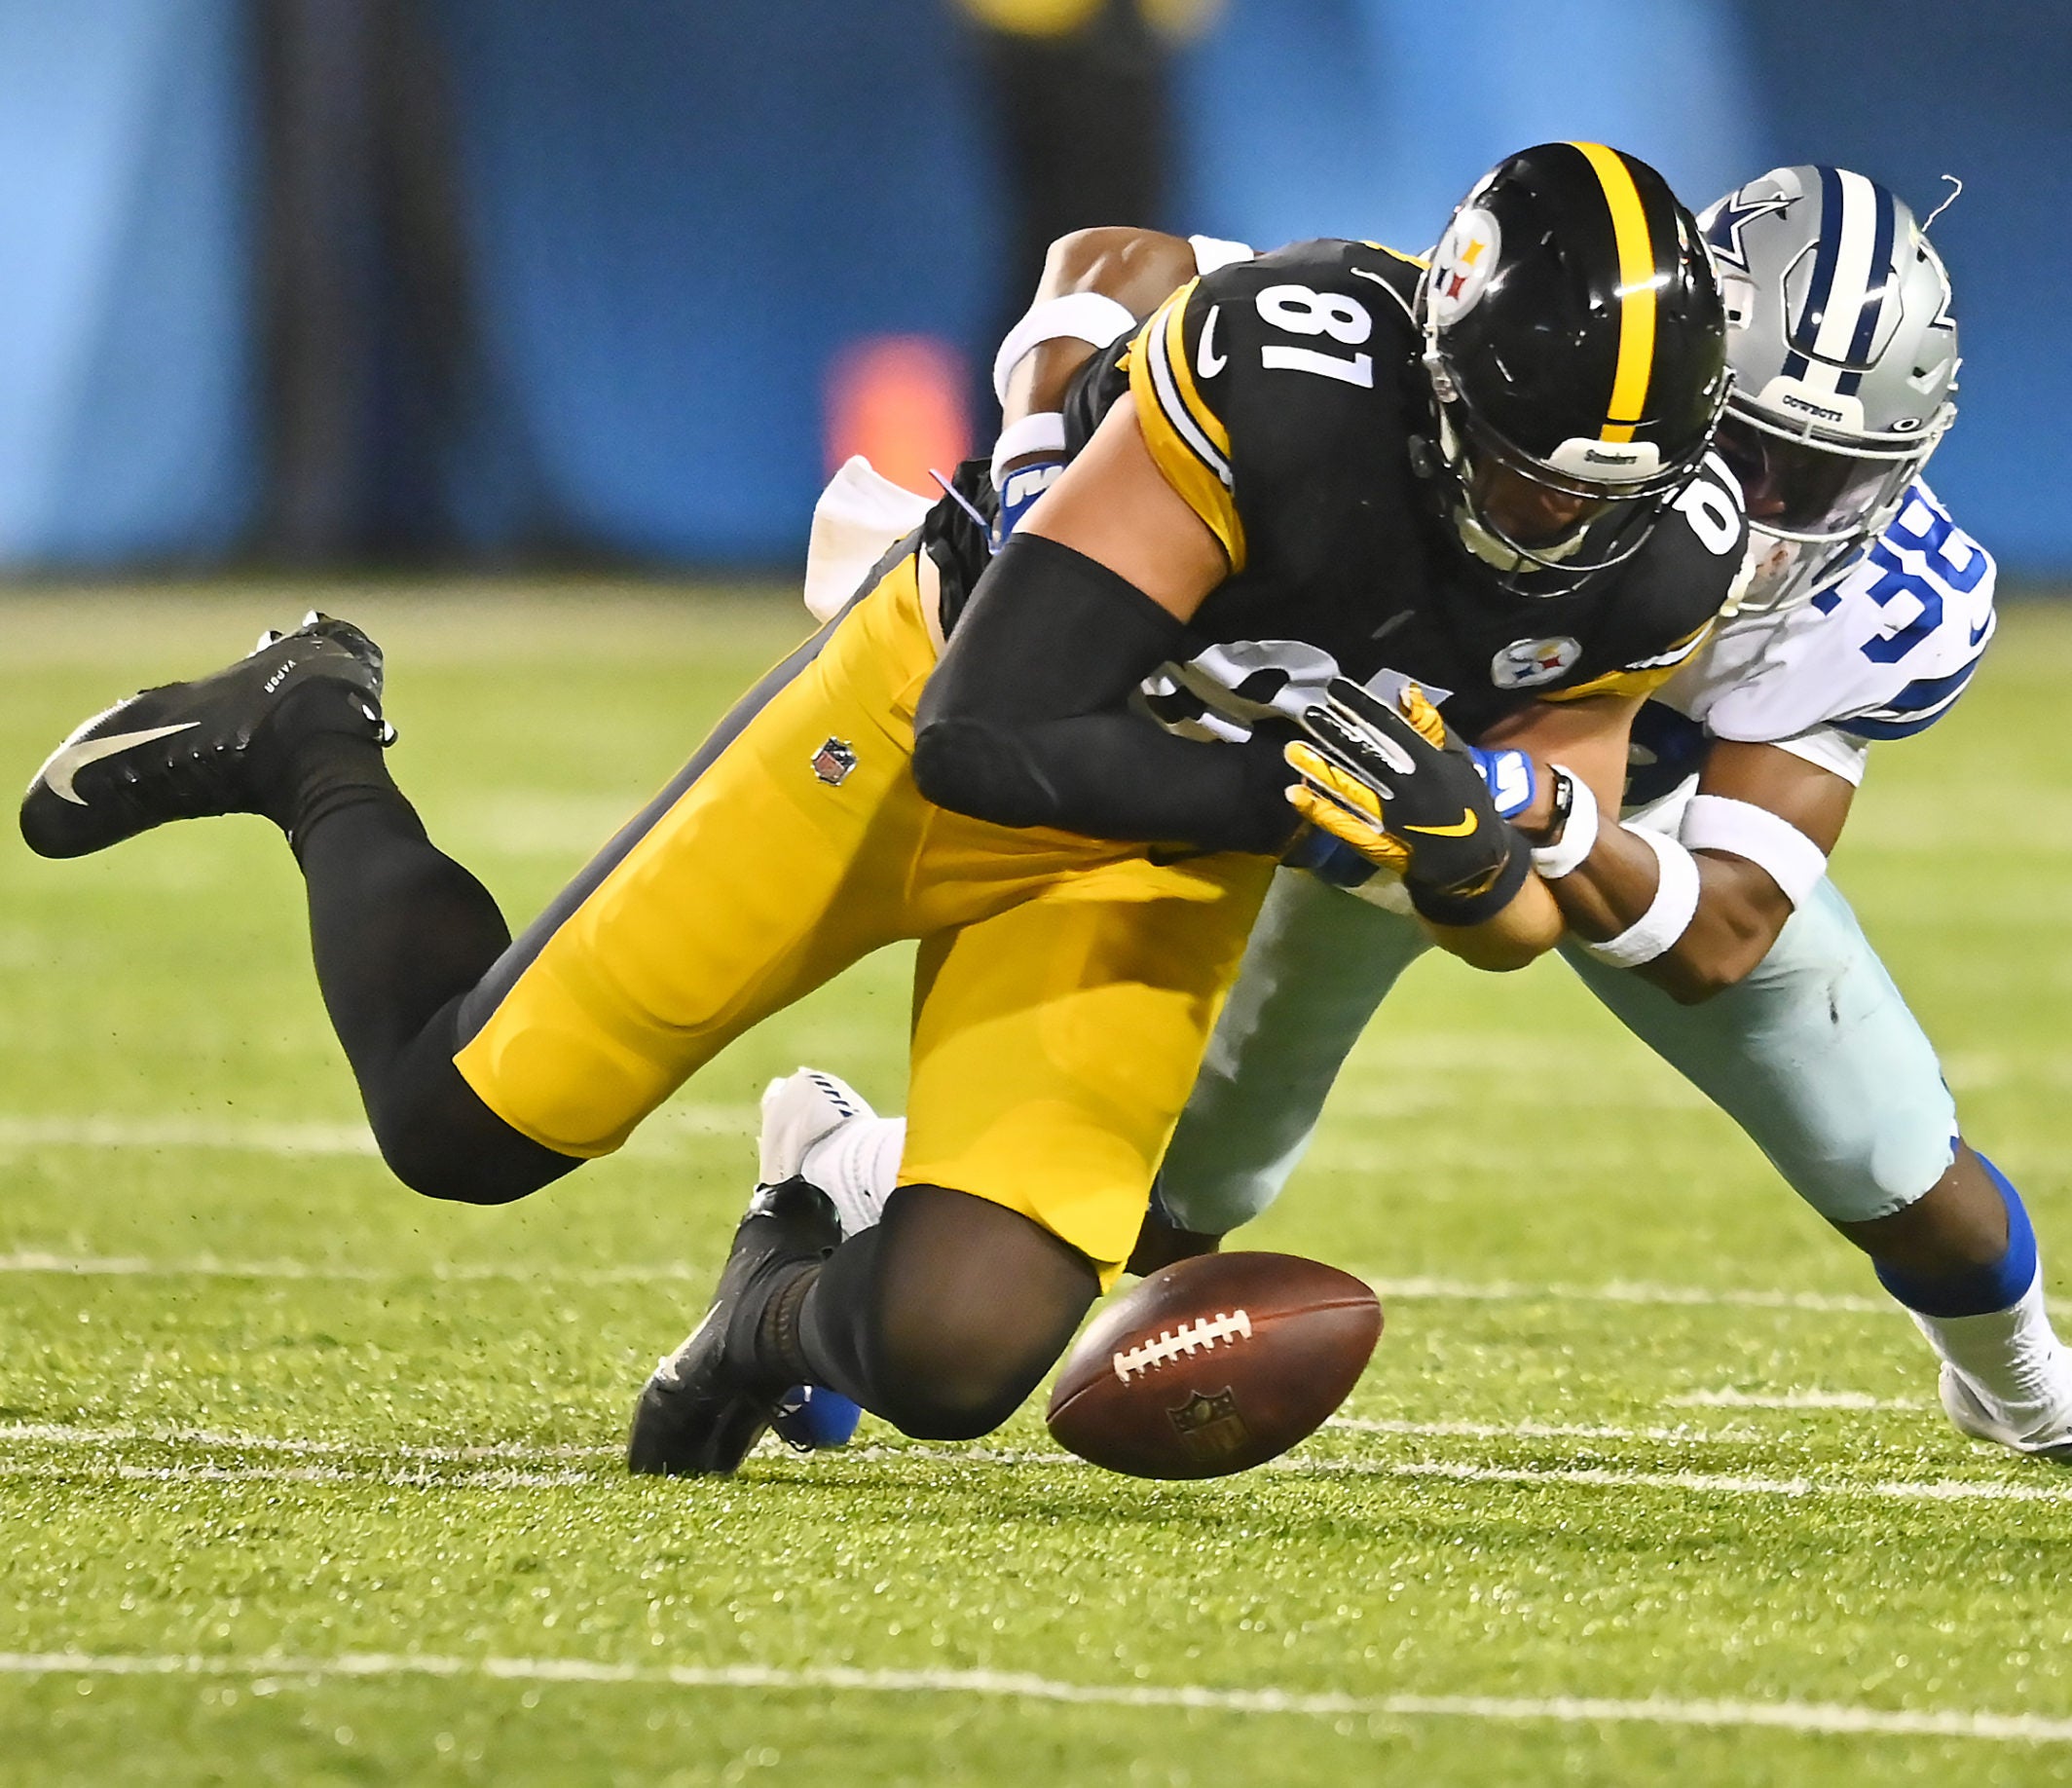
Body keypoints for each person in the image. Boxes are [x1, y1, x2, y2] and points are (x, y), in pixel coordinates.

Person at [19, 142, 1752, 1476]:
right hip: (926, 718)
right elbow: (989, 739)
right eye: (1528, 466)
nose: (1559, 523)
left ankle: (767, 1305)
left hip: (1156, 856)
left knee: (955, 1356)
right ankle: (311, 734)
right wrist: (1291, 797)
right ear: (1446, 378)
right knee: (458, 1131)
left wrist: (1463, 860)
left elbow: (1537, 887)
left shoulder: (1671, 553)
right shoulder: (1289, 375)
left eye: (1608, 489)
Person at [761, 167, 2072, 1471]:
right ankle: (850, 1185)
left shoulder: (1876, 605)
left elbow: (1721, 931)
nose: (1768, 513)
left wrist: (1532, 811)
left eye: (1819, 478)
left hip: (1609, 818)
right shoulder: (1540, 355)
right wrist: (1045, 448)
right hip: (1361, 787)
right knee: (1182, 1196)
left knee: (1899, 1155)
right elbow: (1123, 258)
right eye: (1749, 450)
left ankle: (2037, 1397)